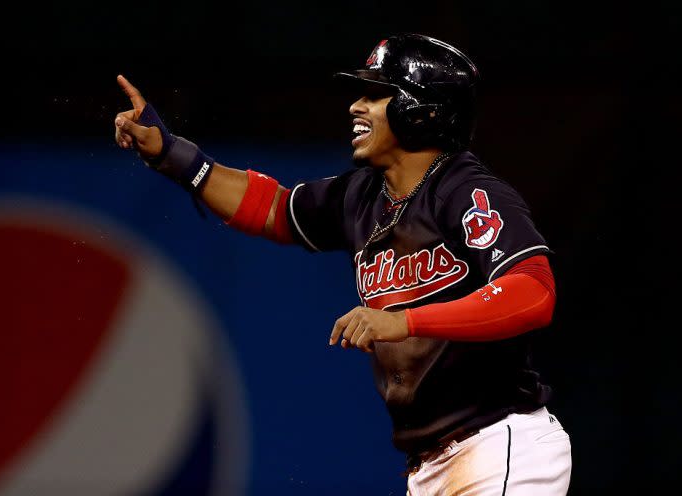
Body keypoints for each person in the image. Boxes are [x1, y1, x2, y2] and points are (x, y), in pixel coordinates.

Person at [113, 33, 572, 495]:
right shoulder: (363, 195)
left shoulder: (465, 191)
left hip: (500, 445)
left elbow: (534, 292)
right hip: (433, 466)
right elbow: (273, 208)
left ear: (421, 109)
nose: (356, 106)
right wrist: (174, 156)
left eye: (375, 94)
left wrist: (405, 321)